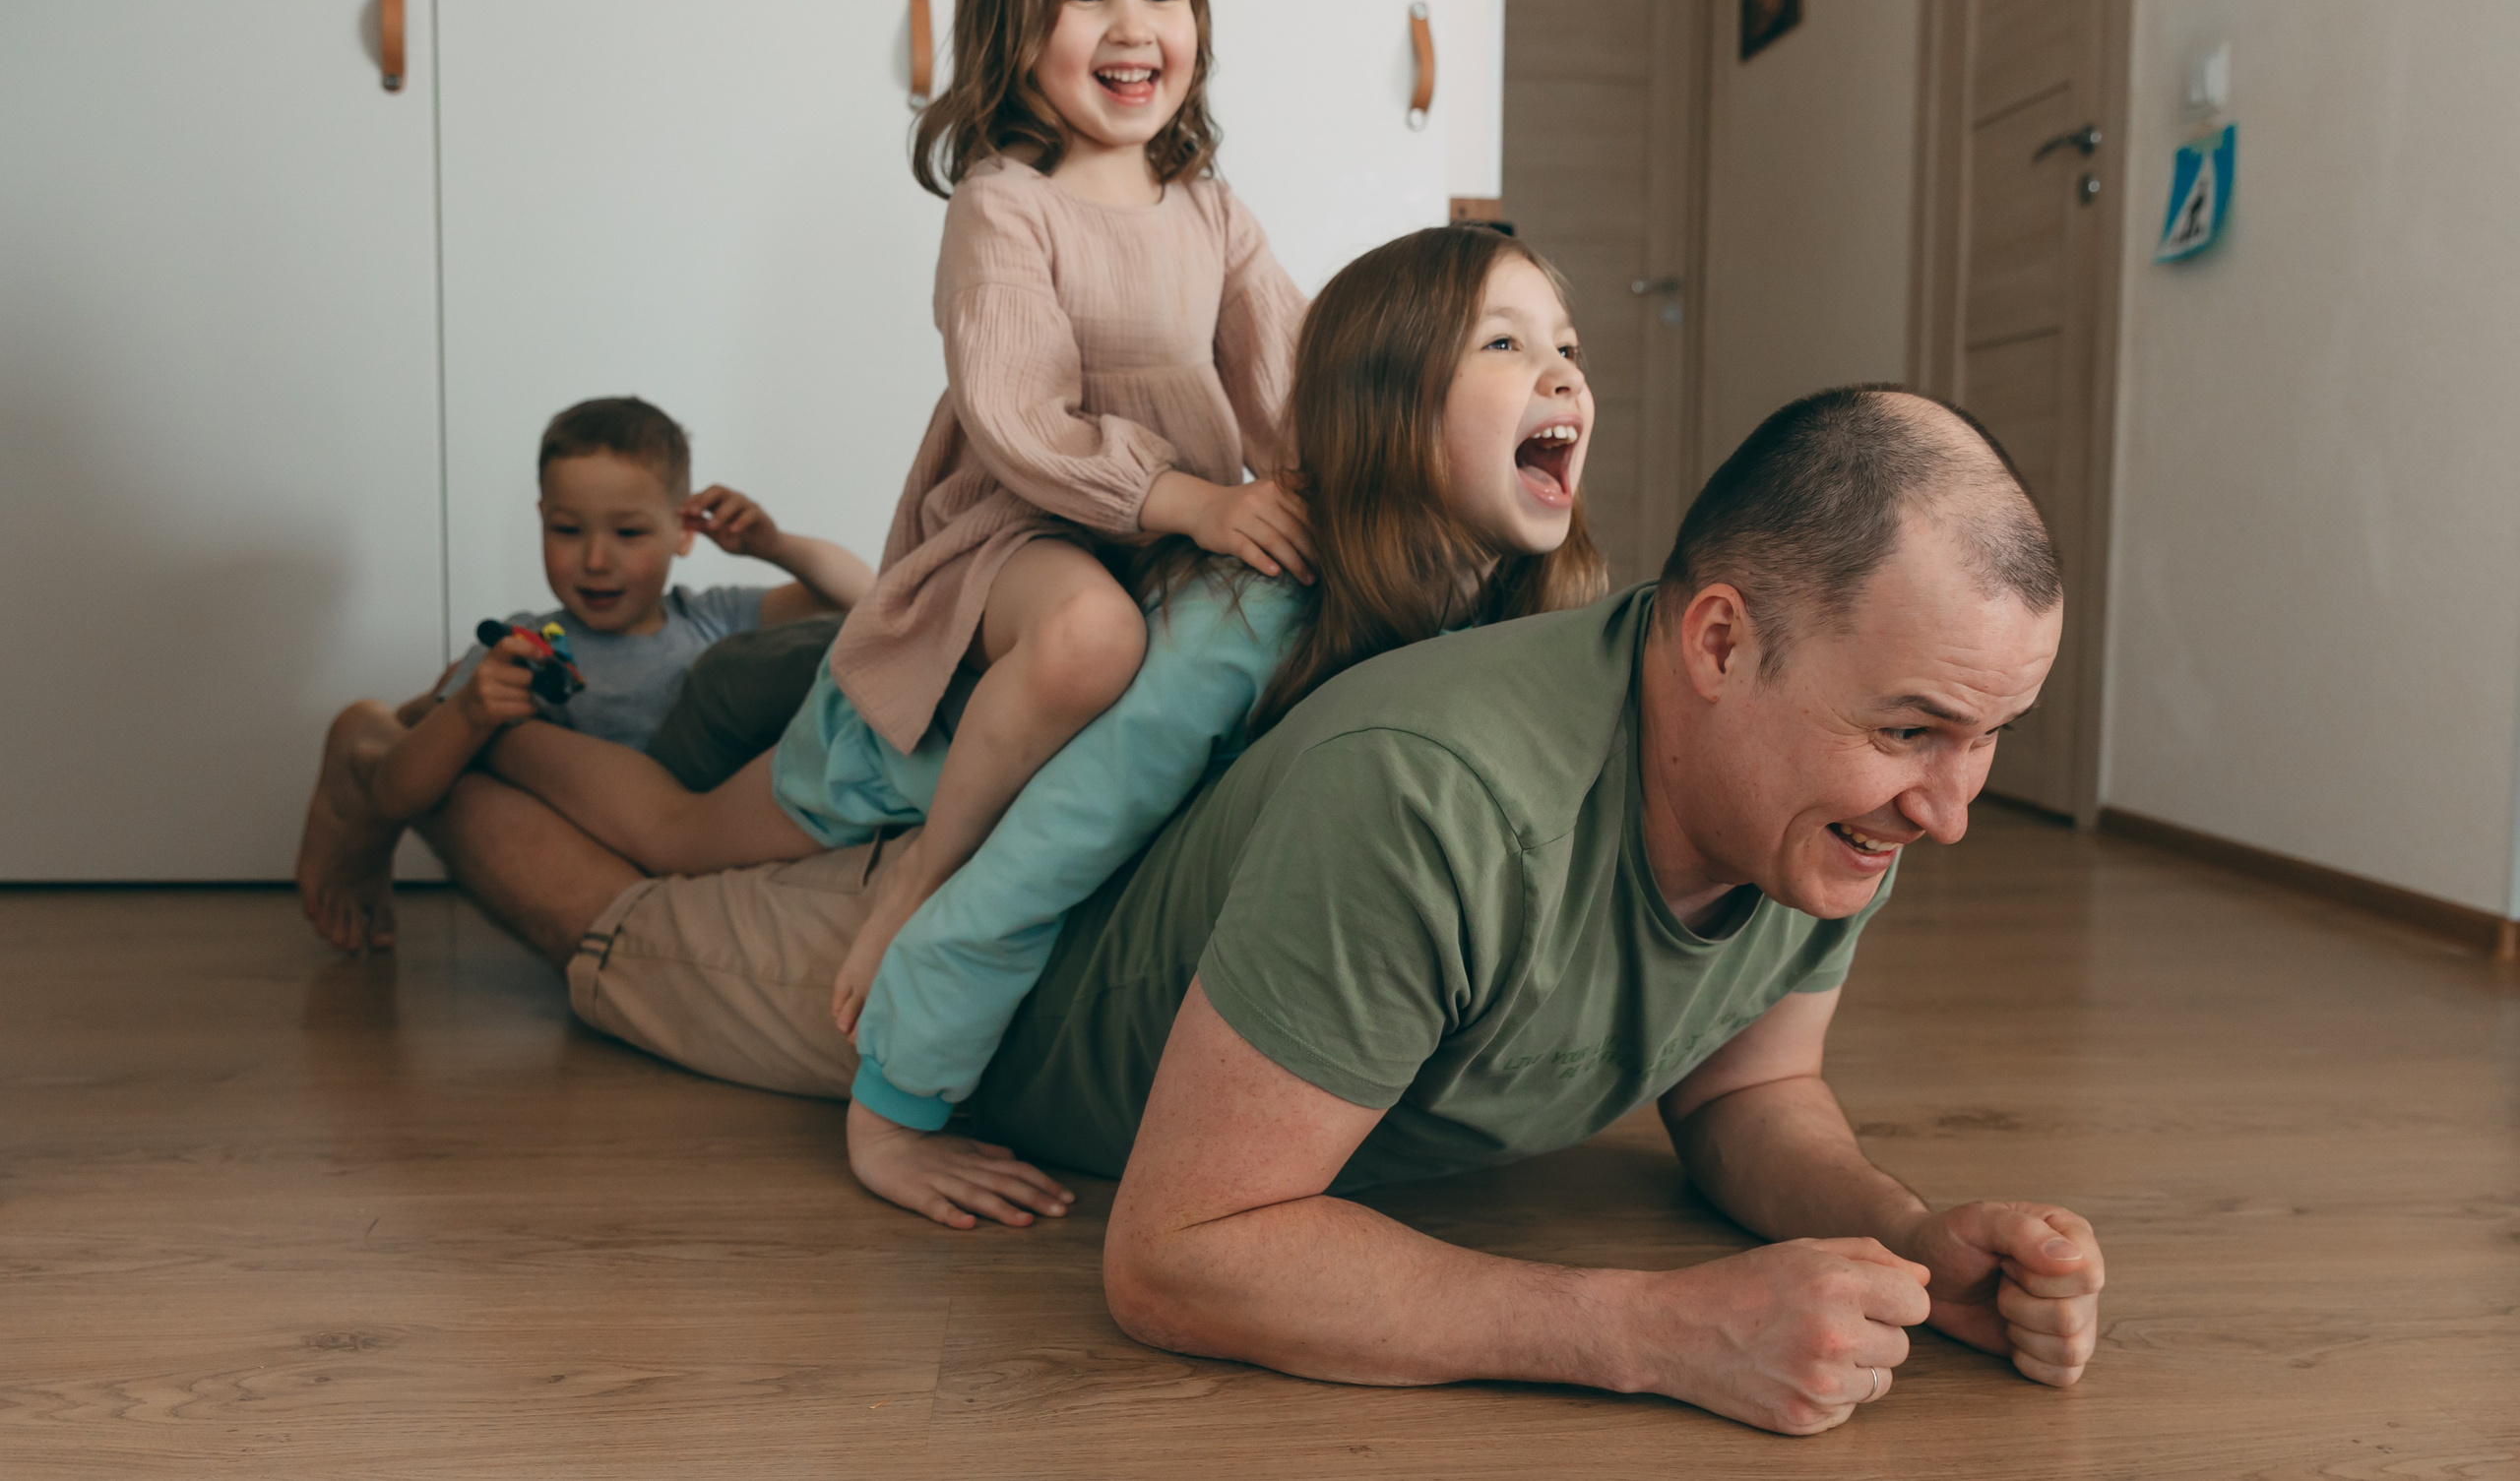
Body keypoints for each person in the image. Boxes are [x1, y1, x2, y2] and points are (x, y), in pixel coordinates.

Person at [415, 386, 2107, 1437]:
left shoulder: (1827, 800)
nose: (1952, 810)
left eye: (1989, 743)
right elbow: (1178, 1254)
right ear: (1722, 643)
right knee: (619, 921)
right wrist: (1655, 1330)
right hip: (966, 963)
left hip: (1093, 833)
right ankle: (410, 759)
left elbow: (1747, 1088)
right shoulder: (1436, 796)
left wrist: (1902, 1232)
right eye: (1914, 737)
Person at [472, 222, 1601, 1222]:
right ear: (1383, 402)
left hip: (1002, 671)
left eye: (1565, 344)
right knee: (671, 837)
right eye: (1503, 343)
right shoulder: (1253, 620)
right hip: (908, 749)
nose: (1558, 370)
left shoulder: (1512, 601)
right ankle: (492, 722)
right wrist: (894, 1111)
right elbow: (1050, 843)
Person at [469, 0, 1310, 1038]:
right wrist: (1197, 502)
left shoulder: (1213, 210)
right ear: (1010, 22)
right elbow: (1020, 425)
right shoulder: (1003, 204)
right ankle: (495, 743)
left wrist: (1331, 481)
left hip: (1156, 540)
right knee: (683, 831)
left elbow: (1290, 383)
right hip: (1010, 547)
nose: (1134, 26)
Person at [294, 395, 872, 953]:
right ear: (542, 519)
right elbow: (398, 792)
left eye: (629, 533)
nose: (596, 560)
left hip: (710, 828)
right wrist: (469, 711)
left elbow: (861, 596)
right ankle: (364, 749)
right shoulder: (521, 645)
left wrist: (774, 546)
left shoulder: (712, 615)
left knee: (807, 661)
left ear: (684, 531)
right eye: (568, 531)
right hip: (613, 842)